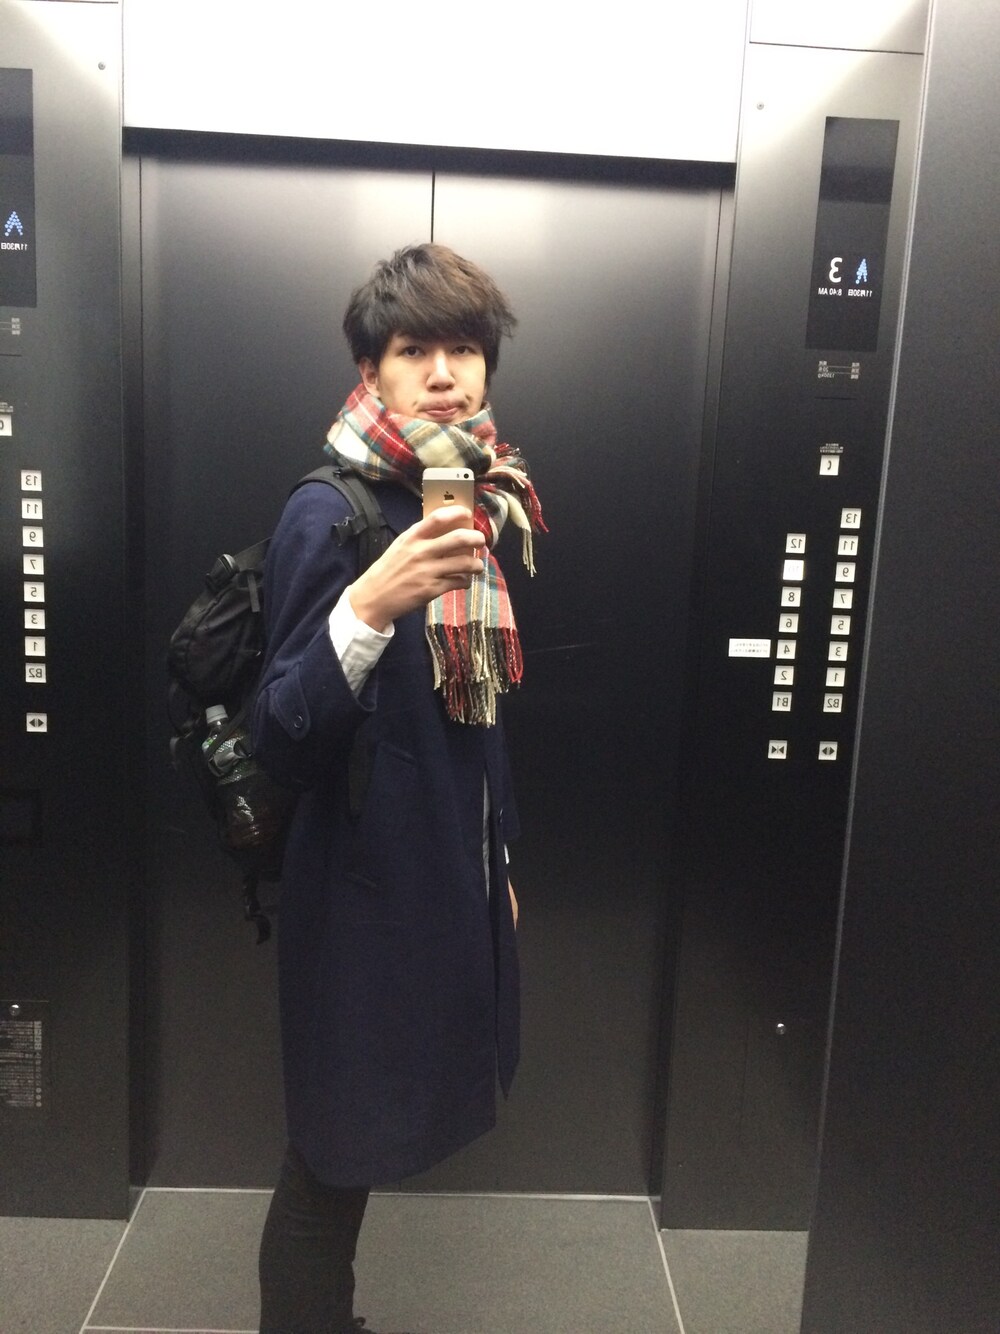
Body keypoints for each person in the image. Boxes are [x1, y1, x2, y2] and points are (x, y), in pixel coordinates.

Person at [253, 243, 545, 1334]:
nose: (443, 374)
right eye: (414, 349)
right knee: (328, 1153)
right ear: (370, 369)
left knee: (356, 1144)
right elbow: (279, 732)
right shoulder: (326, 511)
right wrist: (367, 606)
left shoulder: (475, 497)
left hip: (439, 874)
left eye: (463, 349)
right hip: (356, 891)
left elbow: (479, 719)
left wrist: (496, 860)